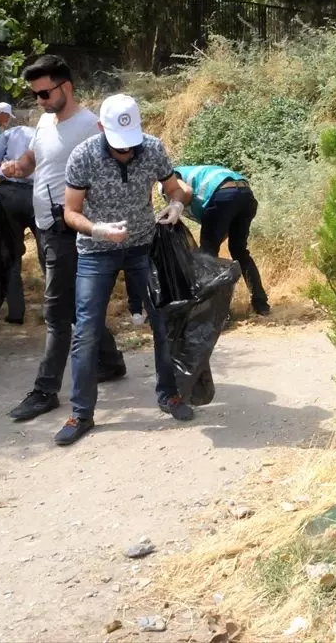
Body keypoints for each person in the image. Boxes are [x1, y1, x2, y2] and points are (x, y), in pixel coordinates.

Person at [54, 94, 192, 445]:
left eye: (130, 145)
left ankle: (169, 394)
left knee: (163, 321)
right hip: (96, 252)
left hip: (143, 247)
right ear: (102, 128)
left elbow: (176, 188)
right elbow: (70, 212)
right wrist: (97, 229)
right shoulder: (83, 156)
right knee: (86, 330)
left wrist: (176, 204)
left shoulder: (153, 148)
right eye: (119, 145)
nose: (126, 152)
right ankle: (81, 413)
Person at [0, 55, 127, 422]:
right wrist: (18, 167)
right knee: (75, 302)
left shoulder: (90, 128)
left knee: (56, 313)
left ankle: (45, 391)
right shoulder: (44, 121)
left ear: (65, 87)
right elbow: (33, 160)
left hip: (69, 230)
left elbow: (108, 176)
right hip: (45, 226)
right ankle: (111, 362)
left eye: (43, 93)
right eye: (35, 95)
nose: (38, 101)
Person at [174, 164, 270, 316]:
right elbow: (222, 226)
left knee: (207, 257)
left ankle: (216, 312)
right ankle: (261, 304)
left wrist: (174, 207)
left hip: (223, 195)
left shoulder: (172, 175)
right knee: (239, 252)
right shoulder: (197, 173)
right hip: (245, 195)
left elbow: (186, 192)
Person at [0, 120, 39, 325]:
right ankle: (57, 310)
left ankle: (16, 312)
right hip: (37, 196)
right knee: (48, 254)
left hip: (8, 196)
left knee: (10, 254)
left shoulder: (10, 133)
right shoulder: (43, 134)